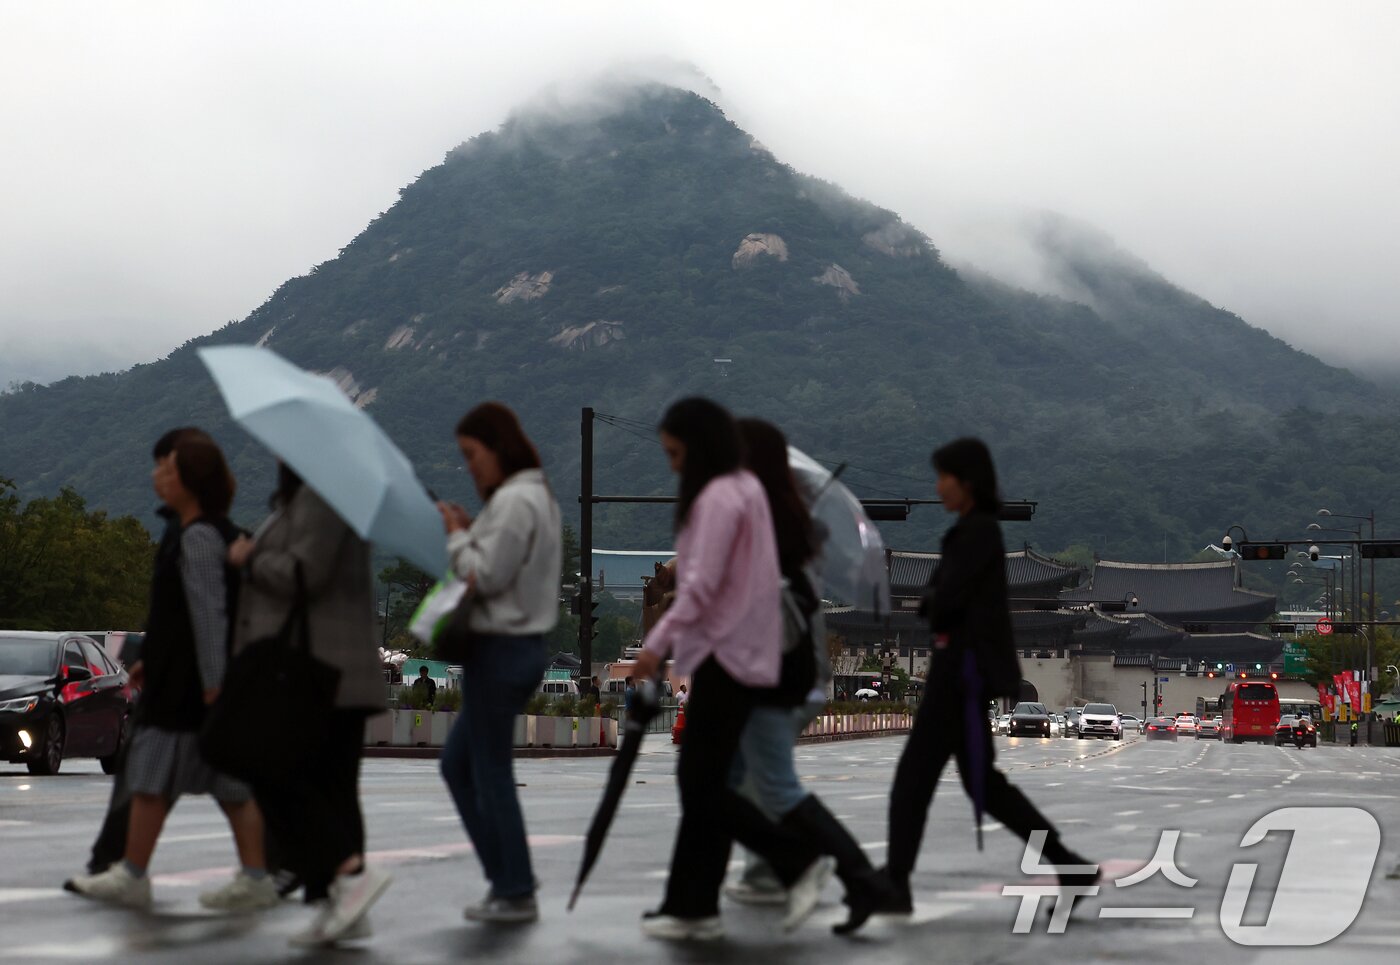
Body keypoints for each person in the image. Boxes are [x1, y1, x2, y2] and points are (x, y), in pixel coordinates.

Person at [634, 397, 829, 942]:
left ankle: (795, 859)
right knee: (706, 782)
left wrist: (656, 647)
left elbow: (701, 588)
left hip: (726, 657)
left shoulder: (720, 496)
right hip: (747, 654)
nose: (672, 465)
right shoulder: (746, 491)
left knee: (702, 783)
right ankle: (692, 906)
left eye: (675, 453)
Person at [877, 438, 1093, 913]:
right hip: (964, 676)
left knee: (915, 781)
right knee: (983, 786)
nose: (937, 488)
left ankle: (896, 882)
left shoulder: (975, 535)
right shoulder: (972, 533)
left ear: (966, 482)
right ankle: (1067, 863)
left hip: (959, 677)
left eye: (943, 478)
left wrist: (931, 603)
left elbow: (945, 602)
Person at [68, 436, 277, 913]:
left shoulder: (200, 536)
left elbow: (208, 615)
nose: (156, 475)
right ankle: (251, 876)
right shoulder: (190, 531)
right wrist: (151, 659)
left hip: (189, 688)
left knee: (156, 777)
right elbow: (178, 615)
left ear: (191, 480)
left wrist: (213, 683)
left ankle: (136, 875)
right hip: (180, 678)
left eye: (166, 468)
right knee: (214, 784)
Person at [724, 417, 893, 935]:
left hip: (776, 675)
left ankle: (840, 871)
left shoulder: (772, 523)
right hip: (789, 672)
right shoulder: (791, 521)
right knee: (735, 779)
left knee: (770, 785)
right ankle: (771, 869)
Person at [229, 464, 392, 948]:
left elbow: (305, 572)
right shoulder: (319, 498)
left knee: (282, 770)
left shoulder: (324, 497)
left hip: (324, 671)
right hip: (326, 671)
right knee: (334, 789)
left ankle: (349, 879)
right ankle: (338, 903)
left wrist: (250, 557)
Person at [436, 402, 562, 924]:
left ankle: (512, 885)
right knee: (462, 765)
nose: (470, 466)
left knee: (487, 771)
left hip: (502, 648)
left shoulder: (515, 501)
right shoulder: (536, 497)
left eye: (473, 454)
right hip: (517, 646)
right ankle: (508, 878)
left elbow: (484, 576)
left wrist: (457, 536)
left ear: (498, 447)